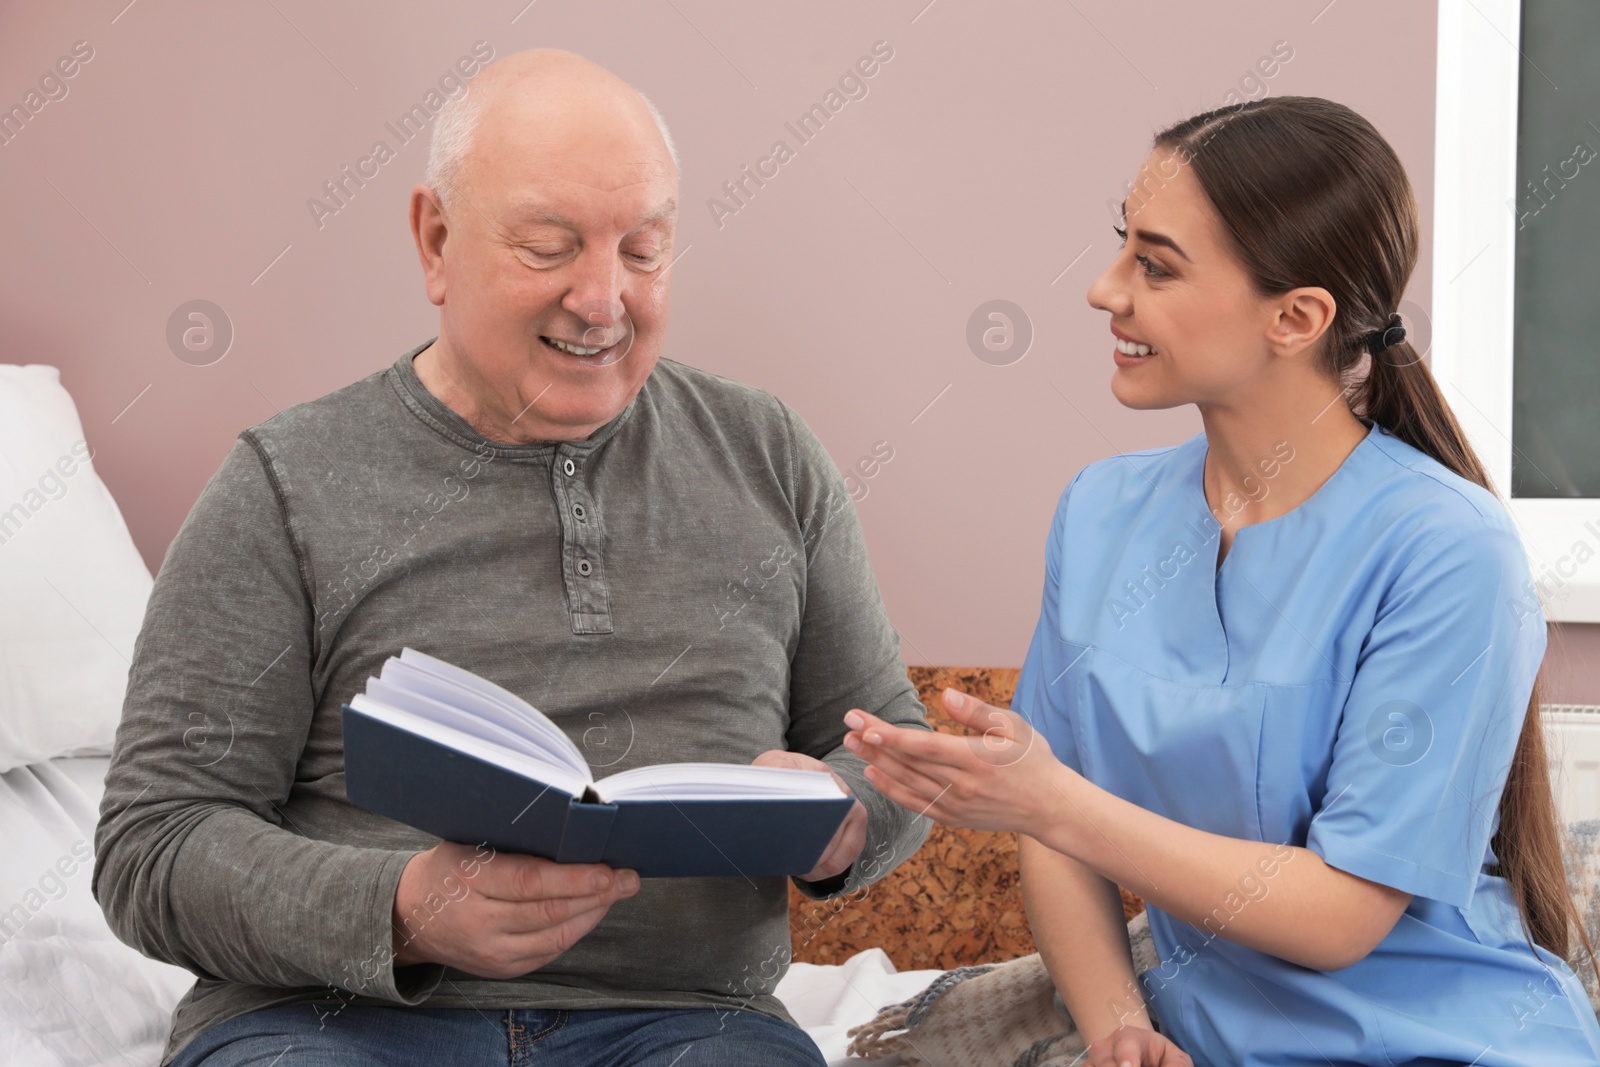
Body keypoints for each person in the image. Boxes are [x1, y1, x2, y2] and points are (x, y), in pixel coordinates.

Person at [92, 48, 932, 1067]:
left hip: (688, 1022)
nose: (601, 298)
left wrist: (847, 817)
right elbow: (154, 842)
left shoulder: (770, 455)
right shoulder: (285, 481)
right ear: (434, 239)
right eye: (549, 247)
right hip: (328, 1020)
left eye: (644, 250)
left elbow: (893, 750)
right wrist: (402, 910)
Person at [842, 96, 1600, 1066]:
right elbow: (1057, 829)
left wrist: (1046, 799)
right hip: (1193, 1033)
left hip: (1431, 1038)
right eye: (1122, 246)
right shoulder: (1100, 511)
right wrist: (1118, 1023)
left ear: (1296, 316)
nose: (1104, 290)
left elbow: (1340, 913)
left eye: (1154, 265)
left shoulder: (1447, 549)